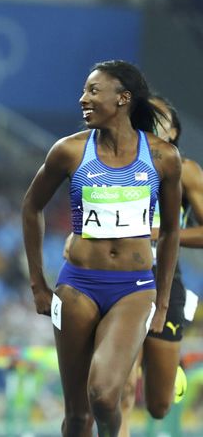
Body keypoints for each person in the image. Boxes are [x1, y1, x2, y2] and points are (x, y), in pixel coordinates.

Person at [21, 60, 182, 437]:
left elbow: (172, 231)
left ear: (123, 98)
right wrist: (38, 285)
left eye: (93, 91)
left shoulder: (162, 158)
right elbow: (31, 208)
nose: (83, 99)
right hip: (77, 286)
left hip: (134, 290)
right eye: (84, 91)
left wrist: (161, 302)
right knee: (78, 416)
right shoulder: (69, 152)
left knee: (105, 396)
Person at [118, 96, 201, 436]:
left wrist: (159, 232)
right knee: (119, 388)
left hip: (163, 280)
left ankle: (169, 369)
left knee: (158, 404)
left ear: (174, 132)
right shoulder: (112, 165)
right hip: (117, 279)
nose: (150, 124)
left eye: (159, 119)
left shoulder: (187, 171)